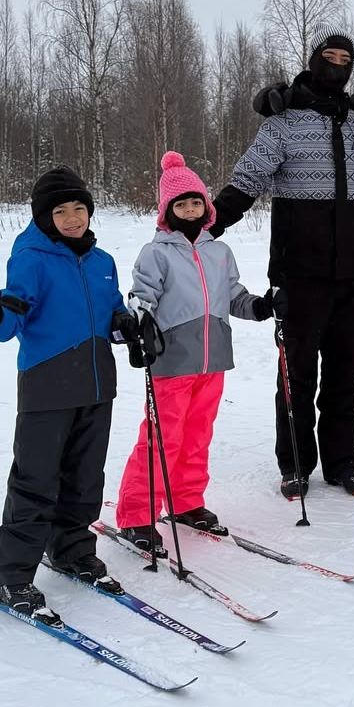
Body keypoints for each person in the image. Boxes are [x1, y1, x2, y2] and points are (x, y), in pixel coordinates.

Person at [211, 28, 354, 499]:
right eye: (330, 56)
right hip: (298, 272)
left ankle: (344, 462)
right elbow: (248, 178)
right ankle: (296, 464)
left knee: (346, 373)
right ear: (314, 59)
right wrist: (207, 226)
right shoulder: (283, 121)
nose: (338, 64)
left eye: (346, 58)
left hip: (351, 272)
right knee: (297, 375)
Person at [0, 166, 132, 624]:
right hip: (47, 385)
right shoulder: (31, 258)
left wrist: (126, 326)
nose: (72, 218)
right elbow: (8, 325)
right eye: (61, 211)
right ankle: (12, 573)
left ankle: (72, 551)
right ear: (44, 217)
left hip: (98, 384)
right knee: (36, 480)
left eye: (79, 208)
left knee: (85, 477)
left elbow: (113, 311)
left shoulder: (102, 263)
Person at [114, 151, 272, 552]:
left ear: (207, 205)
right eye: (180, 203)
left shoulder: (219, 252)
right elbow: (142, 296)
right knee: (160, 438)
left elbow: (232, 295)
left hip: (213, 358)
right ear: (168, 210)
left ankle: (186, 502)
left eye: (195, 201)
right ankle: (137, 514)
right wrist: (139, 321)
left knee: (198, 435)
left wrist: (259, 306)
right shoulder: (157, 253)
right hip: (172, 359)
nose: (189, 208)